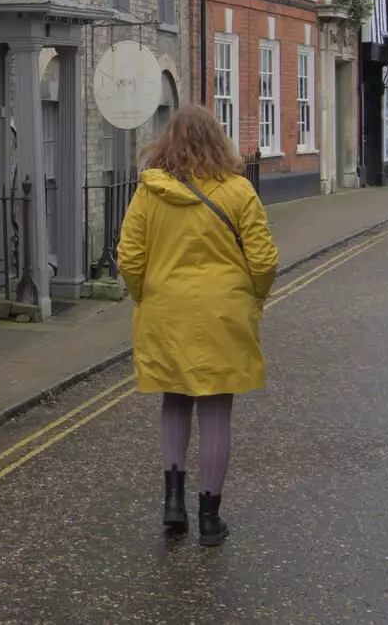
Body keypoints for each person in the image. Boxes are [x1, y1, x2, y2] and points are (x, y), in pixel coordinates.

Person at [117, 104, 279, 546]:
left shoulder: (150, 192)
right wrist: (254, 297)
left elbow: (129, 258)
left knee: (174, 399)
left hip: (166, 310)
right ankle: (209, 519)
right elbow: (264, 261)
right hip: (222, 314)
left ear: (168, 140)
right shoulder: (239, 191)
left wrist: (145, 296)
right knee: (215, 410)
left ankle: (173, 504)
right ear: (217, 139)